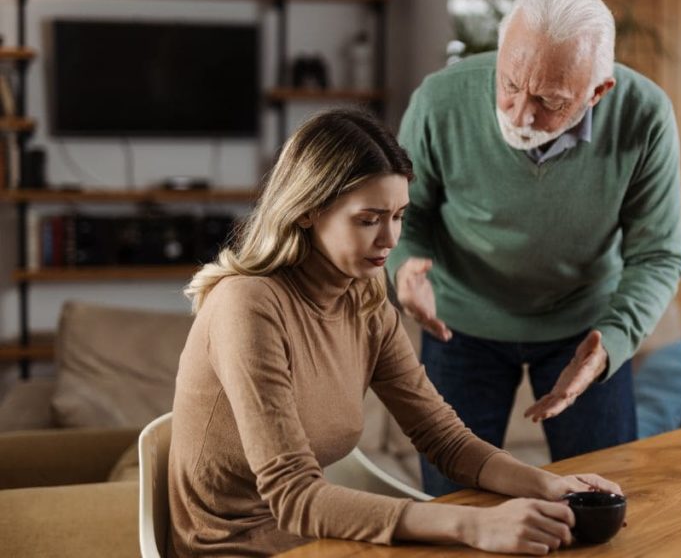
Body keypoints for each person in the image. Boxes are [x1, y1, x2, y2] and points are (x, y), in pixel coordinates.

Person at [168, 108, 621, 557]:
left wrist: (552, 486)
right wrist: (471, 524)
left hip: (319, 540)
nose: (390, 239)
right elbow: (294, 496)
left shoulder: (363, 298)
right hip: (232, 547)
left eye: (399, 215)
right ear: (307, 211)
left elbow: (443, 438)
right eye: (368, 219)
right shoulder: (248, 304)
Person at [388, 0, 681, 496]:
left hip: (584, 327)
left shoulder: (646, 116)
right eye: (509, 85)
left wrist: (611, 342)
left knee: (604, 501)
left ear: (598, 92)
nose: (521, 114)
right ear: (501, 54)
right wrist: (405, 266)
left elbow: (658, 255)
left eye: (550, 100)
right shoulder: (438, 101)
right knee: (450, 503)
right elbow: (403, 214)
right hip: (459, 326)